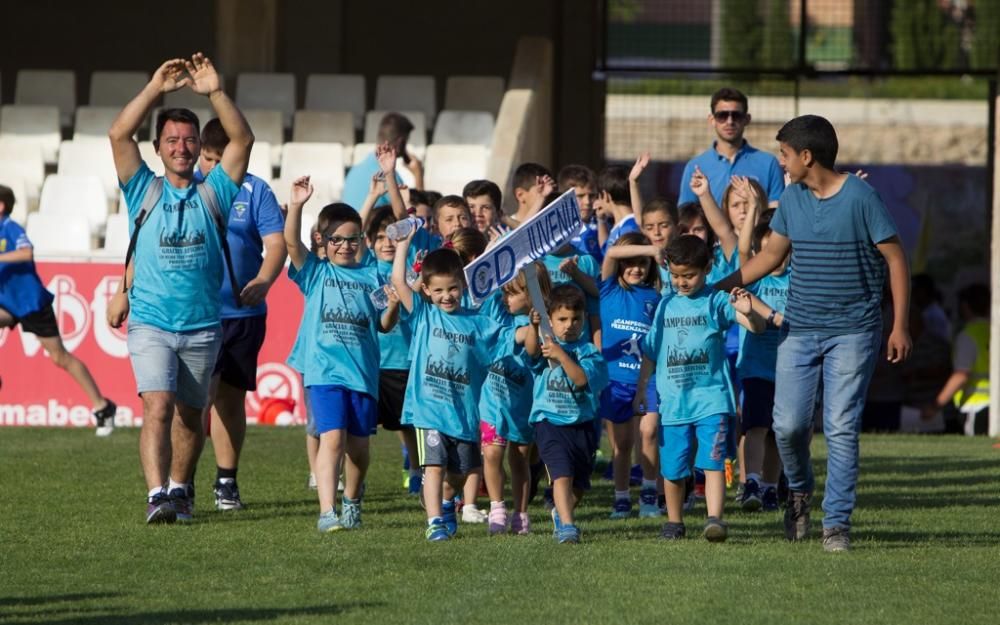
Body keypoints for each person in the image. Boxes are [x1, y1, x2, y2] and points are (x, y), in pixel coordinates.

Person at [715, 115, 912, 552]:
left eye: (784, 155)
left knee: (841, 426)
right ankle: (799, 493)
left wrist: (899, 325)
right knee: (787, 426)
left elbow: (897, 261)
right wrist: (720, 286)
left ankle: (836, 525)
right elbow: (768, 257)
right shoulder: (791, 200)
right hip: (800, 328)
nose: (780, 163)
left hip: (854, 331)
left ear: (807, 156)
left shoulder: (862, 198)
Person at [108, 54, 254, 525]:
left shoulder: (215, 192)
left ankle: (179, 491)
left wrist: (215, 92)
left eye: (189, 140)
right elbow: (117, 134)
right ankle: (156, 496)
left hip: (203, 326)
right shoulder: (141, 190)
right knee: (158, 406)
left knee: (192, 417)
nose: (182, 147)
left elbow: (242, 139)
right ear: (158, 147)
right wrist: (154, 88)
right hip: (150, 321)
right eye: (172, 139)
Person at [391, 231, 538, 541]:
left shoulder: (478, 322)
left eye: (453, 289)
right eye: (439, 290)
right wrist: (403, 243)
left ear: (464, 286)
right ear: (428, 292)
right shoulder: (423, 316)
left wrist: (533, 328)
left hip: (464, 414)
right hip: (428, 410)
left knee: (458, 475)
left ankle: (446, 502)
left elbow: (512, 338)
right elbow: (400, 284)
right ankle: (434, 523)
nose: (447, 296)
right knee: (433, 467)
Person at [283, 177, 399, 532]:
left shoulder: (372, 277)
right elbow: (290, 242)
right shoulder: (316, 273)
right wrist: (298, 206)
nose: (345, 246)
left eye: (352, 239)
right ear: (323, 241)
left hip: (362, 374)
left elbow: (382, 325)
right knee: (332, 437)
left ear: (361, 241)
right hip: (324, 373)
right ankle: (327, 512)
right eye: (337, 240)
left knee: (359, 448)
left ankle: (352, 499)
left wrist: (393, 306)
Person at [635, 235, 765, 542]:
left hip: (712, 400)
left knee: (712, 462)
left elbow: (757, 328)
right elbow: (651, 352)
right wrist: (643, 388)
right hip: (673, 403)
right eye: (676, 275)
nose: (682, 282)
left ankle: (714, 519)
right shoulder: (665, 306)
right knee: (673, 468)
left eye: (689, 275)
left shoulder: (716, 300)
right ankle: (674, 521)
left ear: (707, 269)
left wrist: (748, 311)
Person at [195, 118, 286, 511]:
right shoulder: (187, 188)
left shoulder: (257, 191)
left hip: (245, 314)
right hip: (199, 313)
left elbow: (276, 244)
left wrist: (265, 280)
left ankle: (226, 482)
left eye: (221, 158)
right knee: (200, 399)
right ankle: (179, 483)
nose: (213, 167)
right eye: (207, 158)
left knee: (230, 402)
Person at [0, 185, 117, 435]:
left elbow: (26, 252)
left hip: (32, 304)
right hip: (8, 304)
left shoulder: (9, 226)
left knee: (59, 357)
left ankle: (103, 407)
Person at [529, 285, 609, 543]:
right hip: (550, 422)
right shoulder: (546, 347)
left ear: (584, 319)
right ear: (550, 320)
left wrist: (562, 355)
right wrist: (533, 328)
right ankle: (567, 526)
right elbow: (530, 353)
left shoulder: (590, 353)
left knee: (579, 485)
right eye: (562, 319)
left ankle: (560, 514)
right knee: (561, 476)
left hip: (582, 424)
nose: (569, 325)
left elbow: (581, 380)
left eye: (576, 319)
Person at [479, 264, 551, 535]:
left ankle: (521, 514)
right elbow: (490, 293)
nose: (506, 297)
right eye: (505, 292)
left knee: (520, 460)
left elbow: (531, 348)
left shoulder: (538, 324)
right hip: (493, 401)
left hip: (522, 407)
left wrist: (533, 325)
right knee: (492, 452)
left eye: (513, 293)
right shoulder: (500, 313)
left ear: (531, 294)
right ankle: (497, 508)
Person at [598, 232, 662, 519]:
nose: (636, 268)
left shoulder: (656, 296)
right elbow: (611, 253)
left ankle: (650, 494)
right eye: (631, 262)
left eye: (643, 263)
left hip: (647, 379)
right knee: (621, 445)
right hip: (615, 381)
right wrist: (652, 247)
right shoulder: (610, 289)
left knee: (648, 433)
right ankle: (621, 499)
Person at [734, 186, 789, 512]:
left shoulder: (799, 277)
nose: (777, 260)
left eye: (782, 252)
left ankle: (770, 487)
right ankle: (751, 481)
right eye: (769, 252)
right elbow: (742, 252)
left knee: (779, 433)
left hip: (790, 369)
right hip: (756, 367)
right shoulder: (754, 277)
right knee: (755, 427)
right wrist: (754, 207)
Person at [677, 87, 785, 208]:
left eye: (736, 115)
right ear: (712, 120)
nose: (729, 121)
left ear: (747, 119)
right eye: (722, 115)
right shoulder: (695, 167)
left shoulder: (769, 163)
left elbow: (775, 215)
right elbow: (687, 216)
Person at [924, 283, 990, 435]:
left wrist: (936, 405)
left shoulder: (968, 336)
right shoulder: (993, 330)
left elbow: (961, 375)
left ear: (965, 306)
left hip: (977, 405)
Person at [342, 113, 418, 210]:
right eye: (406, 141)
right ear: (400, 142)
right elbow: (411, 215)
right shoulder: (389, 176)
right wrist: (418, 176)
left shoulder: (355, 169)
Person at [557, 165, 601, 260]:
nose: (587, 202)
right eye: (580, 196)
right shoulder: (556, 230)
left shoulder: (604, 224)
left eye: (592, 195)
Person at [595, 165, 640, 254]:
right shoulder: (622, 225)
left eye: (598, 197)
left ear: (605, 196)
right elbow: (606, 251)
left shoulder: (629, 228)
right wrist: (601, 220)